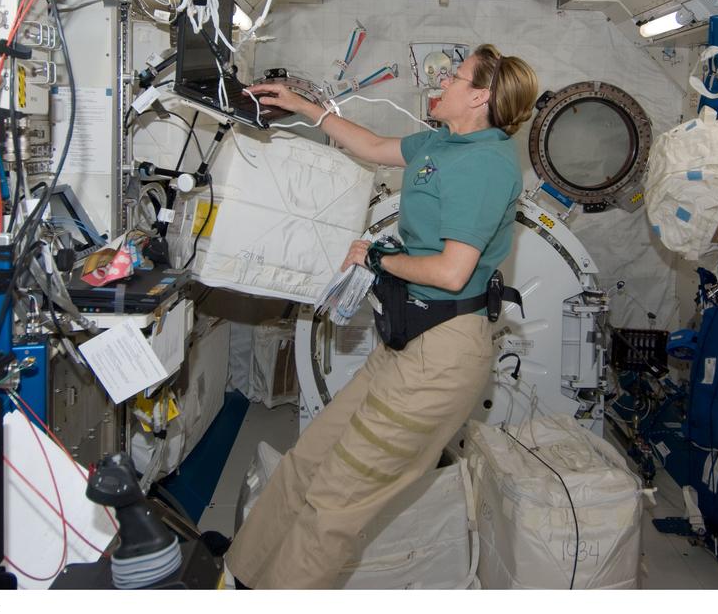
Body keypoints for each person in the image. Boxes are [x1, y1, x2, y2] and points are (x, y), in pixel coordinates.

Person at [223, 44, 539, 589]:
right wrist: (301, 105)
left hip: (440, 359)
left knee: (334, 501)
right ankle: (239, 576)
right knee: (305, 465)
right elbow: (371, 146)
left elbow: (450, 272)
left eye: (456, 76)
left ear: (480, 97)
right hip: (403, 345)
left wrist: (376, 256)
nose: (442, 79)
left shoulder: (485, 165)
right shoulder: (444, 142)